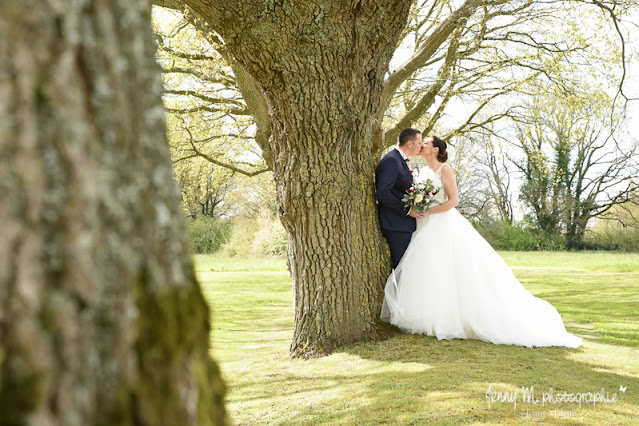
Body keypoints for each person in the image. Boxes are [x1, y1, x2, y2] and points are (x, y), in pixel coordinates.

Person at [380, 135, 582, 348]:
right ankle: (427, 314)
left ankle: (456, 317)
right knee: (428, 269)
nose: (422, 145)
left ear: (436, 149)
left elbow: (453, 200)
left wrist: (429, 210)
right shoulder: (421, 171)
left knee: (452, 268)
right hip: (422, 224)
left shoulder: (444, 169)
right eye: (421, 142)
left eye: (426, 143)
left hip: (442, 223)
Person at [375, 128, 426, 268]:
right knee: (402, 270)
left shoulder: (398, 160)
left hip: (400, 225)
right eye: (420, 142)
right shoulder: (392, 160)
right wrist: (408, 210)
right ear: (409, 144)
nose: (422, 145)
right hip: (396, 225)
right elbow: (383, 193)